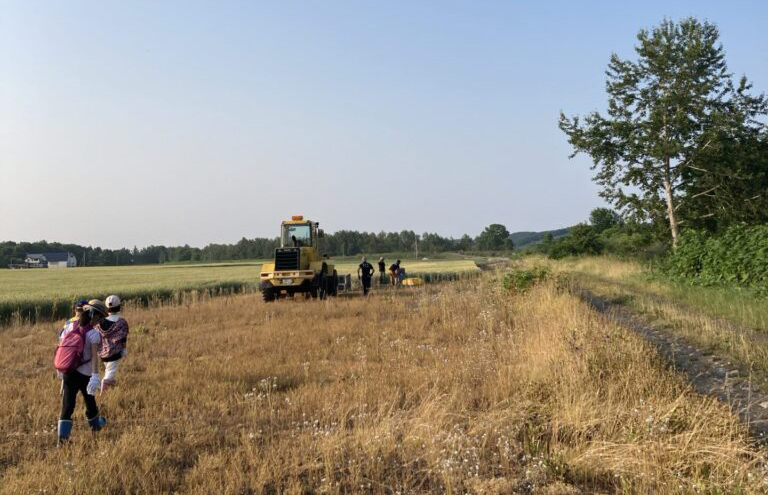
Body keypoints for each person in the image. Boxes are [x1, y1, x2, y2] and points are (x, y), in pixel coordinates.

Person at [57, 300, 108, 443]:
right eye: (101, 318)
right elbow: (94, 358)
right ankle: (96, 428)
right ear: (96, 317)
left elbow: (61, 350)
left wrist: (61, 373)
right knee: (90, 403)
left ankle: (62, 439)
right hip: (85, 375)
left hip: (68, 372)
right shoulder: (93, 334)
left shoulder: (68, 327)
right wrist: (95, 376)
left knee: (67, 405)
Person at [98, 295, 130, 391]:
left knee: (108, 369)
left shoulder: (100, 322)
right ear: (119, 307)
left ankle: (110, 388)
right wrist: (124, 349)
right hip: (115, 352)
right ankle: (105, 384)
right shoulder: (121, 322)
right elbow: (123, 338)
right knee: (110, 372)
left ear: (106, 308)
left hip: (102, 352)